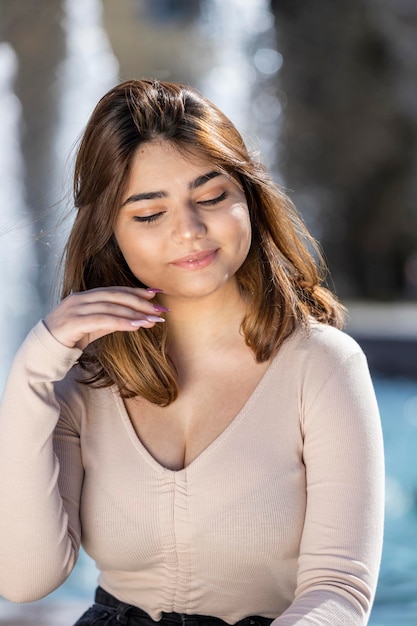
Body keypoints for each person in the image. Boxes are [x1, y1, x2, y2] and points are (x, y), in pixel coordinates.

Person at [0, 79, 384, 626]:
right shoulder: (82, 377)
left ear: (248, 198)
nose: (190, 230)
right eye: (149, 215)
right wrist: (32, 371)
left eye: (210, 197)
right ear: (110, 231)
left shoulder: (323, 365)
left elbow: (339, 590)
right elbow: (26, 579)